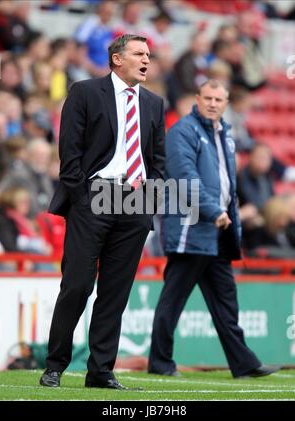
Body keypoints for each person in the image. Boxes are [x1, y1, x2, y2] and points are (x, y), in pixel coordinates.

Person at [39, 34, 165, 389]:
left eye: (149, 55)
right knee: (77, 284)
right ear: (116, 59)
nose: (146, 60)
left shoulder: (154, 103)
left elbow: (158, 160)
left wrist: (149, 200)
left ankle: (100, 372)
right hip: (93, 196)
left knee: (115, 292)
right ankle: (55, 365)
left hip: (135, 203)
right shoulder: (84, 92)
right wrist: (82, 199)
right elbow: (70, 151)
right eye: (139, 53)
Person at [148, 79, 280, 379]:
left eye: (218, 100)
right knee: (174, 298)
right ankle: (159, 362)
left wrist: (228, 219)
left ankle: (244, 363)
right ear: (197, 99)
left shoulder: (226, 135)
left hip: (217, 231)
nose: (212, 103)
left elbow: (227, 184)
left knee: (225, 300)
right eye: (207, 98)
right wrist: (213, 211)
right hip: (190, 229)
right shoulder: (183, 132)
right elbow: (184, 178)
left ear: (226, 103)